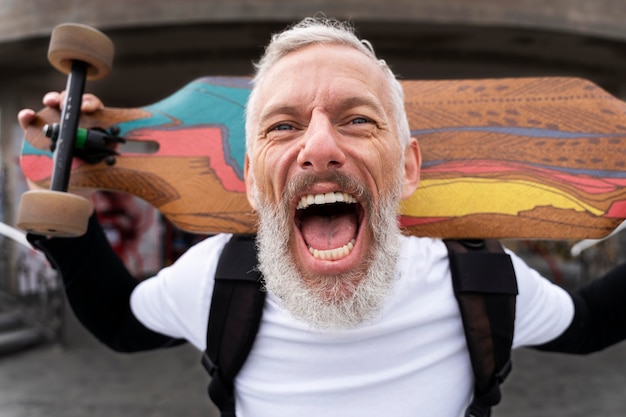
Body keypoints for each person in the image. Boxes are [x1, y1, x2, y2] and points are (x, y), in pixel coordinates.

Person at [17, 17, 626, 417]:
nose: (320, 147)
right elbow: (123, 325)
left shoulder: (482, 280)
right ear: (253, 178)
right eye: (284, 126)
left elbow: (592, 323)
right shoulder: (215, 277)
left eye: (357, 119)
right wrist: (69, 230)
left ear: (409, 168)